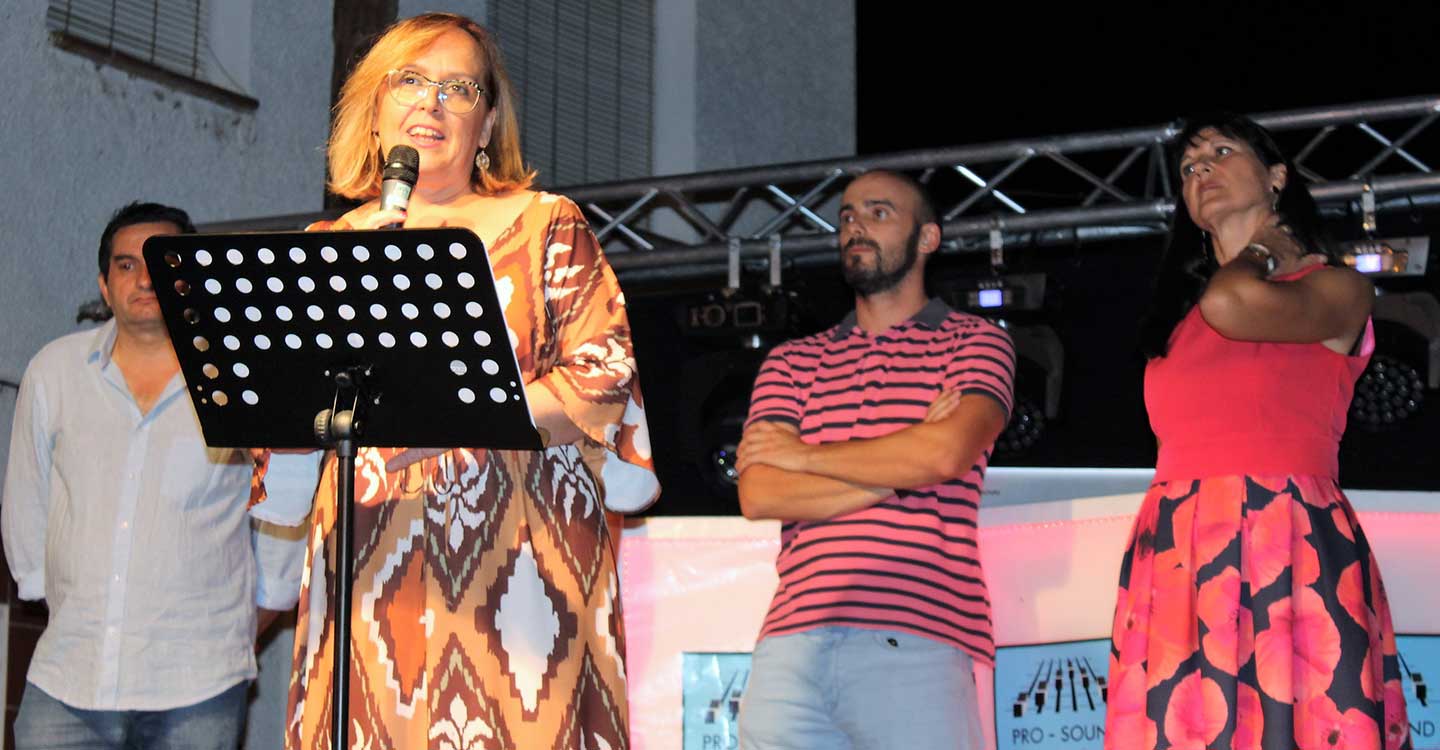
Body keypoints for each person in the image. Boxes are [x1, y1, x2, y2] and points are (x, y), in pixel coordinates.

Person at [245, 13, 658, 749]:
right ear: (374, 111)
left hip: (520, 580)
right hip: (371, 575)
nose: (431, 103)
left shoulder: (543, 224)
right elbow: (289, 439)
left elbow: (603, 380)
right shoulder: (330, 247)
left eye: (458, 88)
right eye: (409, 81)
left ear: (487, 122)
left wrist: (450, 417)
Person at [1105, 113, 1411, 750]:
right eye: (1189, 168)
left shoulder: (1336, 287)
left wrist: (1267, 247)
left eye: (1220, 152)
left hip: (1287, 534)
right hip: (1179, 544)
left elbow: (1232, 306)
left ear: (1277, 177)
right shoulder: (1176, 319)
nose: (1202, 171)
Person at [1, 202, 312, 749]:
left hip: (199, 686)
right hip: (68, 678)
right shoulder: (54, 372)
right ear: (103, 285)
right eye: (126, 265)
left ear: (188, 280)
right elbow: (26, 512)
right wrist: (84, 609)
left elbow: (281, 514)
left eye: (161, 263)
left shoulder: (242, 377)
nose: (145, 278)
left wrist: (241, 624)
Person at [734, 170, 1015, 749]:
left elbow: (944, 452)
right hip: (791, 646)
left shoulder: (976, 342)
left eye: (879, 212)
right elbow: (760, 493)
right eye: (847, 216)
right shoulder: (791, 362)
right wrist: (897, 471)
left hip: (917, 638)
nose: (856, 225)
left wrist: (804, 455)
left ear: (928, 238)